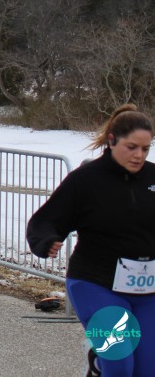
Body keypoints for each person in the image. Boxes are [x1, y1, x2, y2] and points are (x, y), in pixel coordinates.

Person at [27, 104, 155, 377]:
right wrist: (46, 239)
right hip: (96, 284)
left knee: (147, 369)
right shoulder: (85, 180)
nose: (139, 155)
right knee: (120, 363)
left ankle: (98, 363)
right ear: (112, 141)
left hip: (148, 291)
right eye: (131, 147)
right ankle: (100, 365)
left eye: (146, 149)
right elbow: (46, 220)